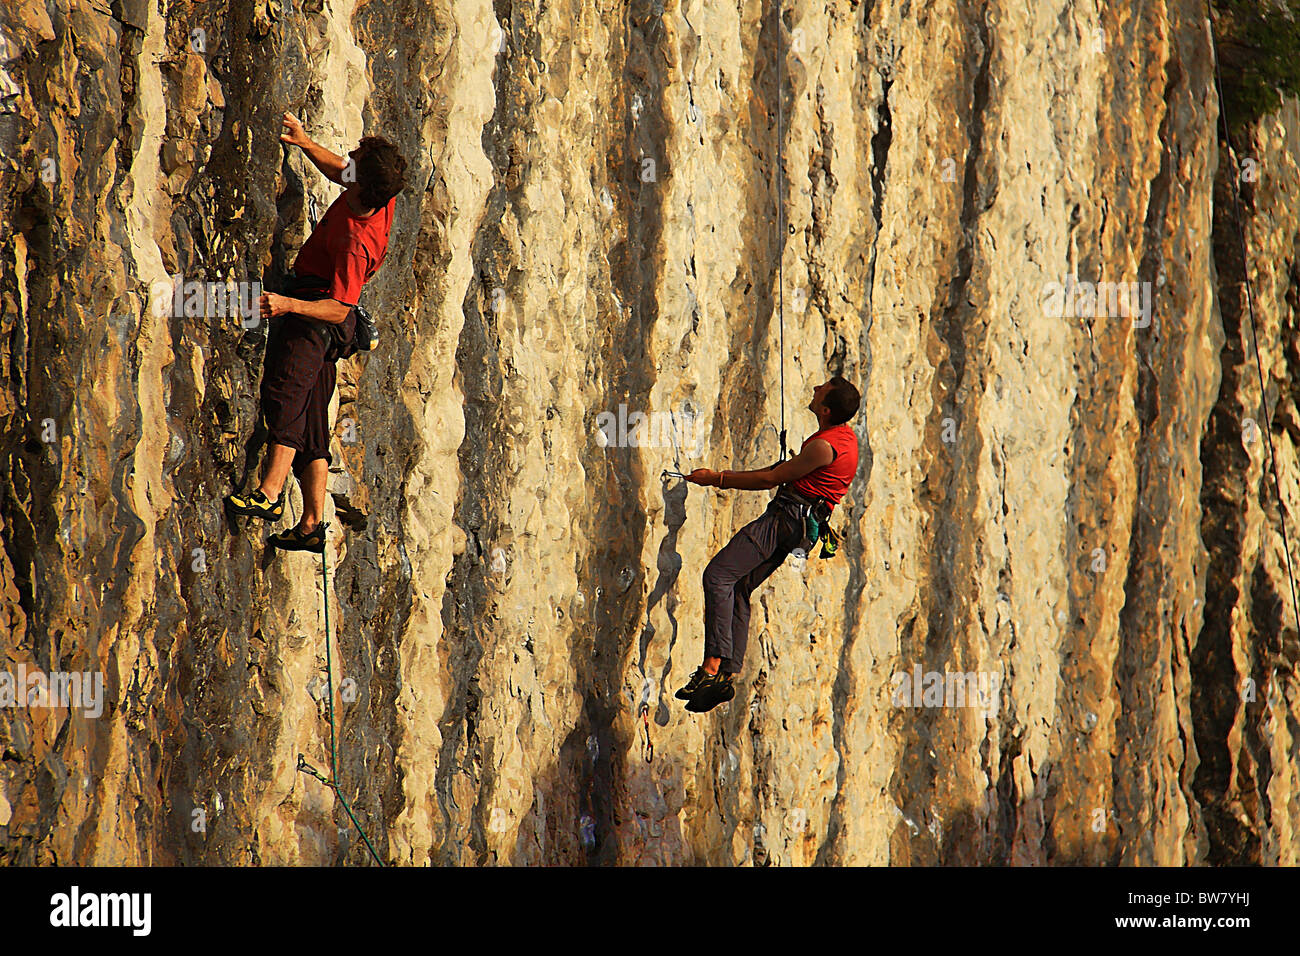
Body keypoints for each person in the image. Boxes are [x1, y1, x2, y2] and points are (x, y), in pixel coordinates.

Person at [225, 113, 406, 552]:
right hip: (323, 314)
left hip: (317, 314)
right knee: (312, 422)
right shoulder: (379, 194)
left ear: (362, 184)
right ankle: (310, 525)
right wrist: (305, 144)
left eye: (356, 161)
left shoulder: (356, 242)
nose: (349, 160)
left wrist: (287, 304)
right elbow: (342, 170)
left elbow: (339, 307)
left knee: (288, 395)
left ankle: (268, 495)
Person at [677, 376, 861, 712]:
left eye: (821, 389)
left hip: (784, 521)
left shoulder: (823, 446)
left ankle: (711, 667)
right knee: (741, 587)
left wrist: (717, 479)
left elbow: (771, 479)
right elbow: (788, 472)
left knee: (718, 576)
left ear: (824, 408)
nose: (815, 386)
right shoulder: (845, 440)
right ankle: (727, 675)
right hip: (801, 527)